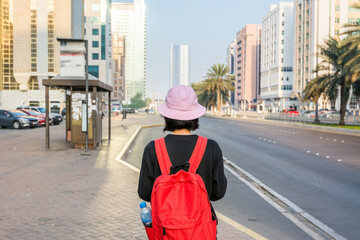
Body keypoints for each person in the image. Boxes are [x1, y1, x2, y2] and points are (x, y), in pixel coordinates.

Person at [138, 85, 227, 237]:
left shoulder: (153, 149)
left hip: (166, 234)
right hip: (200, 234)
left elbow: (145, 193)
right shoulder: (211, 148)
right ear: (195, 116)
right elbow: (218, 193)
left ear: (167, 116)